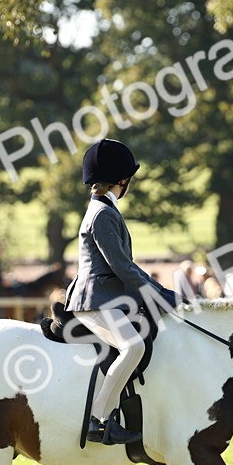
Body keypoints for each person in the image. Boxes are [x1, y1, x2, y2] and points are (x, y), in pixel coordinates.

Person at [65, 138, 178, 446]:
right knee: (133, 347)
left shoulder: (105, 210)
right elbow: (123, 268)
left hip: (106, 297)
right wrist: (162, 296)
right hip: (94, 300)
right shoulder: (102, 215)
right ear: (123, 181)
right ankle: (99, 421)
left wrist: (160, 293)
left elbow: (126, 268)